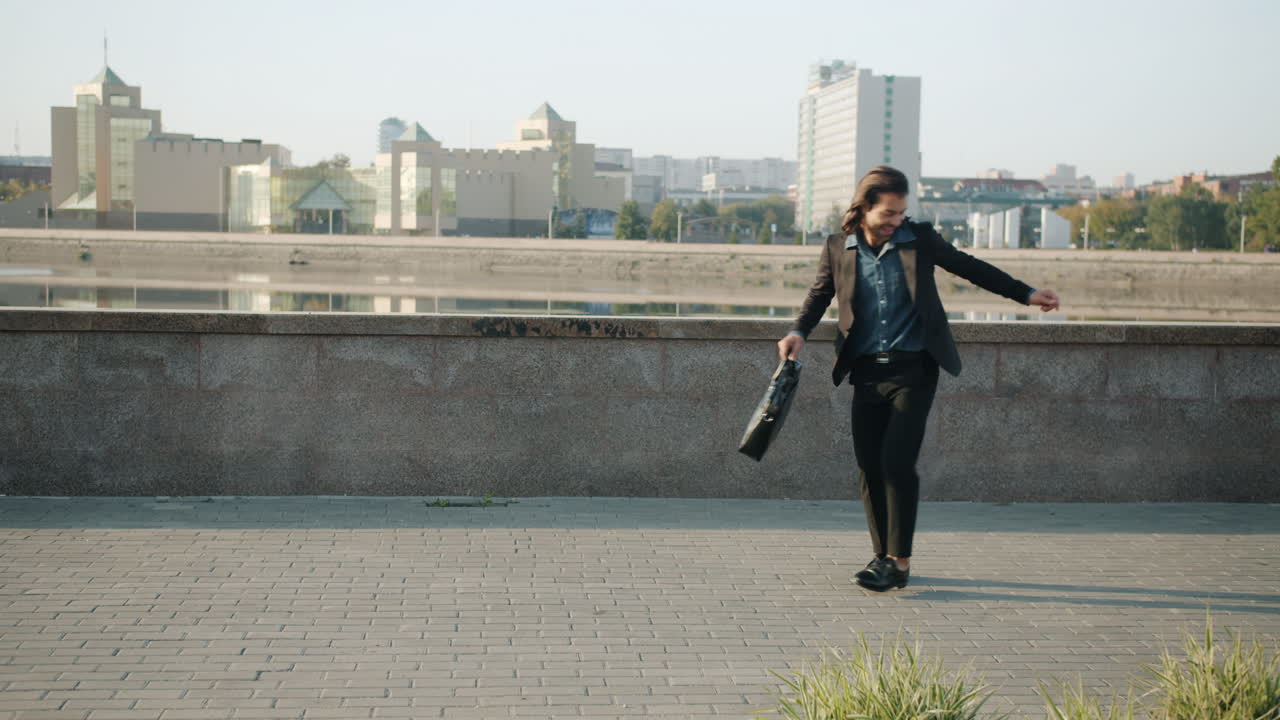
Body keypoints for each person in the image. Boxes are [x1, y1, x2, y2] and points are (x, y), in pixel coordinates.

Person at [777, 166, 1060, 592]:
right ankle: (881, 557)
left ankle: (900, 562)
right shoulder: (839, 247)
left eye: (900, 213)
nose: (895, 221)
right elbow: (820, 294)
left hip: (914, 369)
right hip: (866, 371)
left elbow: (970, 267)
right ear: (865, 207)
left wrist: (1026, 293)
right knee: (869, 465)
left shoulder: (919, 239)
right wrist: (798, 330)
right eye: (888, 213)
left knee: (896, 462)